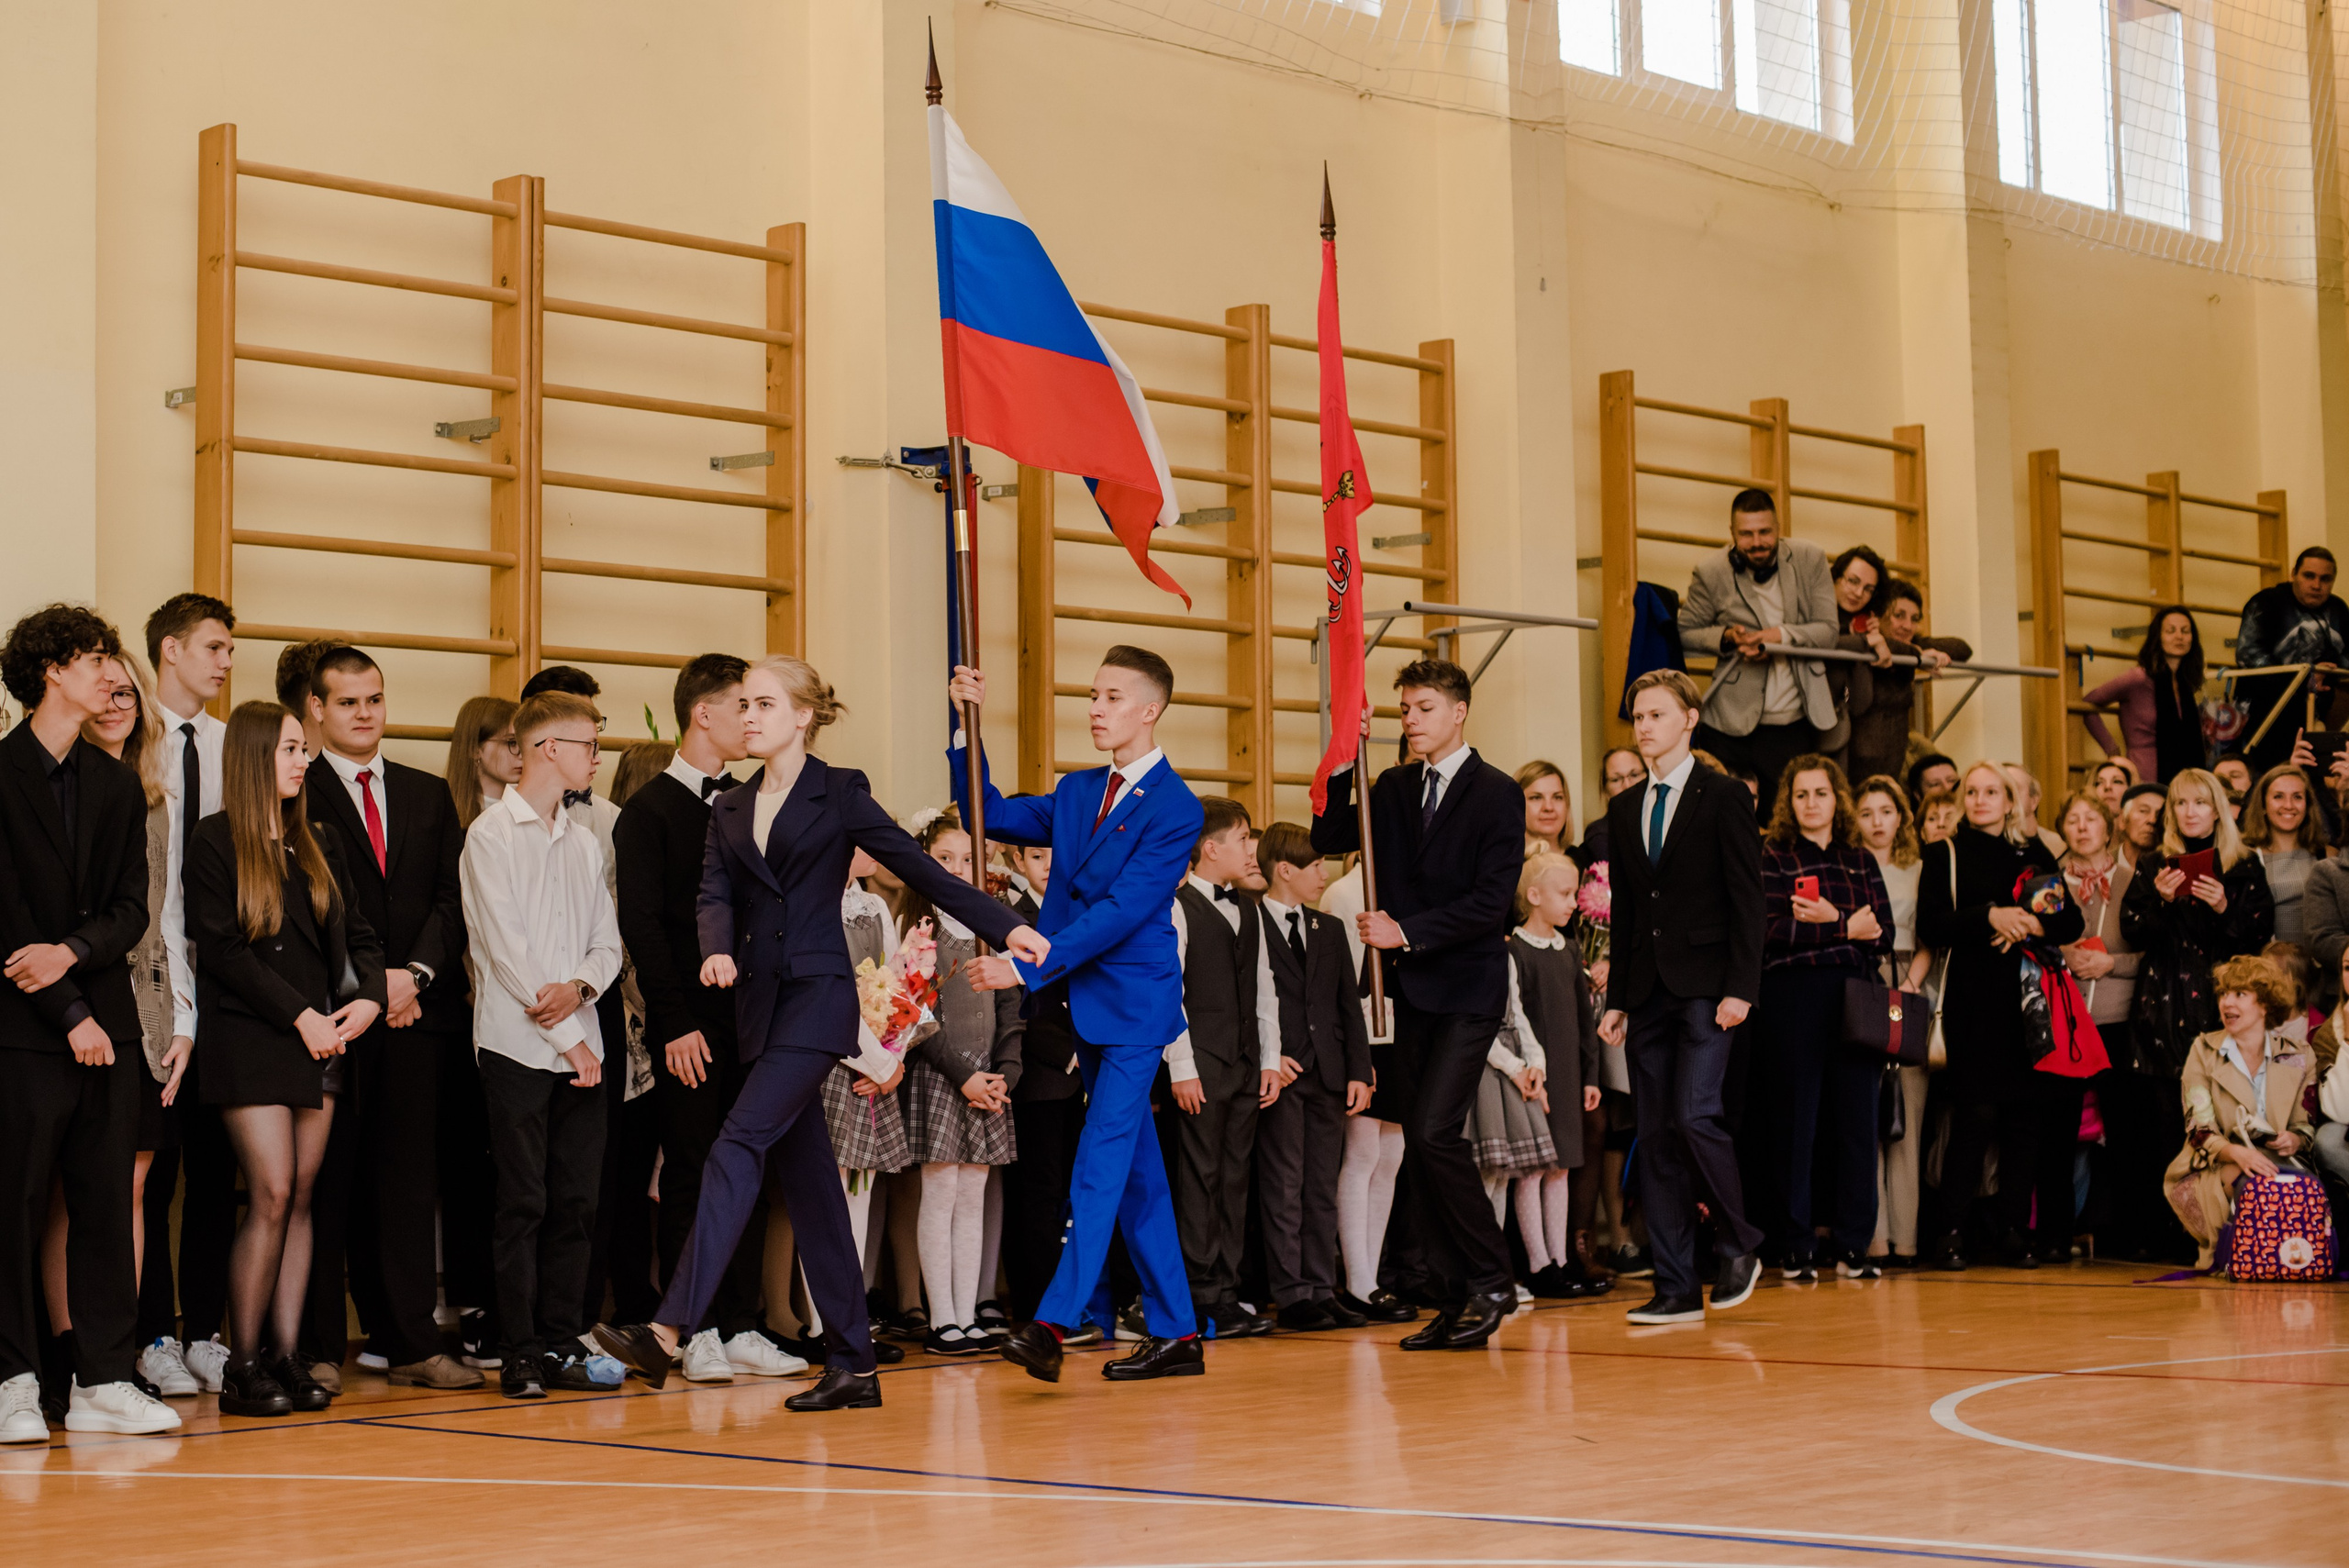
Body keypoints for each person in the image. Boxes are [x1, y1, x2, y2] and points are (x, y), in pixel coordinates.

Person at [596, 657, 1041, 1408]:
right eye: (744, 704)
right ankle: (854, 1363)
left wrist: (1007, 925)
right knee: (813, 1191)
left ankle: (667, 1328)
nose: (750, 716)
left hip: (817, 1002)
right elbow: (713, 889)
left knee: (736, 1143)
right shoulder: (731, 806)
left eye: (765, 703)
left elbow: (914, 866)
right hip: (758, 1010)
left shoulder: (840, 791)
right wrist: (711, 947)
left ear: (803, 715)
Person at [936, 648, 1199, 1384]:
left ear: (1149, 710)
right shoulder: (1078, 790)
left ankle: (1054, 1319)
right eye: (1092, 694)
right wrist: (966, 725)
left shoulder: (1178, 807)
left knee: (1100, 1161)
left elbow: (1122, 911)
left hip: (1137, 1008)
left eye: (1111, 696)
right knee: (1138, 1174)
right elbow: (982, 809)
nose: (1094, 708)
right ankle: (1178, 1332)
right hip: (1083, 1001)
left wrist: (1025, 962)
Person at [1310, 657, 1531, 1351]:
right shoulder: (1396, 785)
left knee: (1434, 1132)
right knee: (1421, 1141)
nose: (1410, 720)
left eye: (1424, 707)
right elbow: (1325, 837)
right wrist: (1346, 754)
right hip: (1409, 996)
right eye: (1405, 709)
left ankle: (1493, 1279)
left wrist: (1408, 930)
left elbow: (1491, 901)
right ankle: (1453, 1290)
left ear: (1459, 711)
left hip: (1468, 989)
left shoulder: (1497, 792)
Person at [0, 606, 180, 1441]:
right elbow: (5, 918)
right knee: (16, 1201)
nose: (111, 672)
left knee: (107, 1201)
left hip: (103, 1022)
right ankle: (11, 1377)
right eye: (94, 658)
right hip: (23, 1029)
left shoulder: (115, 783)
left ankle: (103, 1379)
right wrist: (67, 1009)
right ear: (51, 672)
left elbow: (130, 910)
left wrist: (71, 958)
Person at [186, 700, 384, 1416]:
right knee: (269, 1191)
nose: (305, 759)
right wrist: (300, 1016)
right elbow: (225, 949)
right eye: (293, 748)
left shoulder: (319, 839)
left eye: (304, 749)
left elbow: (362, 938)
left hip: (325, 1039)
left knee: (302, 1196)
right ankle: (241, 1364)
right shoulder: (215, 841)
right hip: (255, 1038)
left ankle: (286, 1355)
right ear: (254, 756)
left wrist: (367, 1001)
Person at [296, 647, 480, 1392]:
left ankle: (409, 1341)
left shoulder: (427, 792)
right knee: (326, 1184)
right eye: (348, 702)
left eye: (374, 698)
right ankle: (313, 1345)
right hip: (331, 1019)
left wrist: (414, 978)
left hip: (416, 1018)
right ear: (316, 708)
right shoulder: (293, 788)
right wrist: (374, 985)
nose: (365, 712)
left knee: (406, 1183)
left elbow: (451, 900)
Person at [611, 655, 797, 1380]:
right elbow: (645, 928)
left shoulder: (752, 801)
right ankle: (691, 1327)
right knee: (692, 1168)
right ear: (702, 714)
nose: (751, 720)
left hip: (752, 1018)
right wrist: (673, 1021)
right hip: (687, 1023)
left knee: (748, 1164)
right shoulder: (650, 812)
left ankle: (741, 1320)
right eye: (739, 705)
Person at [459, 689, 626, 1399]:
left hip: (580, 1039)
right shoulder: (490, 835)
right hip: (517, 1048)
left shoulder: (584, 840)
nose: (596, 757)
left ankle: (563, 1339)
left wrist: (583, 990)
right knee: (522, 1201)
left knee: (576, 1202)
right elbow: (506, 955)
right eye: (589, 744)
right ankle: (520, 1346)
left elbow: (607, 943)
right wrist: (568, 1038)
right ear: (549, 749)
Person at [37, 651, 192, 1406]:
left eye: (131, 694)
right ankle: (71, 1350)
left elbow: (164, 919)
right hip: (70, 999)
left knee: (131, 1184)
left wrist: (181, 1021)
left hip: (146, 1008)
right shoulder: (49, 785)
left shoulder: (149, 796)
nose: (119, 702)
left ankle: (117, 1350)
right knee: (76, 1190)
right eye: (111, 690)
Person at [1596, 669, 1766, 1324]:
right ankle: (1674, 1287)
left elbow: (1748, 901)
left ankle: (1741, 1240)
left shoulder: (1723, 795)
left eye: (1657, 715)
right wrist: (1617, 998)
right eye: (1637, 716)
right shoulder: (1623, 806)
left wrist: (1740, 989)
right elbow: (1631, 913)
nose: (1644, 727)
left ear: (1690, 719)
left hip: (1708, 989)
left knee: (1696, 1115)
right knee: (1659, 1135)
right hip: (1647, 993)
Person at [1915, 761, 2085, 1271]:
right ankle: (1949, 1232)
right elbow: (1931, 924)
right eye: (1972, 791)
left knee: (2023, 1122)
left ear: (2012, 802)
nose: (1980, 800)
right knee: (1975, 1118)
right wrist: (1989, 915)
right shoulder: (1944, 851)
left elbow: (2068, 923)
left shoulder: (2033, 853)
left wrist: (2031, 921)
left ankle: (2014, 1230)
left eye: (1992, 792)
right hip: (1973, 1002)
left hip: (2025, 1005)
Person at [2119, 768, 2274, 1262]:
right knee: (2165, 1120)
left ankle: (2223, 1233)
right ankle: (2166, 1234)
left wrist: (2225, 905)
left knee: (2221, 1115)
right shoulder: (2153, 864)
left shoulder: (2243, 863)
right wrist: (2162, 902)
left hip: (2220, 1001)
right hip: (2162, 1003)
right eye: (2180, 804)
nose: (2189, 812)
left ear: (2217, 810)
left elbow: (2254, 936)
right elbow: (2132, 930)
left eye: (2199, 803)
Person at [1753, 758, 1893, 1280]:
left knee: (1859, 1121)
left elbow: (1884, 934)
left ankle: (1855, 1244)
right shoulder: (1771, 855)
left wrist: (1827, 920)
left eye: (1821, 793)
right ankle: (1796, 1242)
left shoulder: (1860, 857)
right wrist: (1843, 927)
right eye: (1801, 794)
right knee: (1797, 1122)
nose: (1812, 802)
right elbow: (1771, 932)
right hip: (1793, 995)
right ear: (1789, 803)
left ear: (1839, 798)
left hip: (1856, 993)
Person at [144, 594, 235, 1397]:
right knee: (152, 1170)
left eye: (230, 648)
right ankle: (149, 1335)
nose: (224, 660)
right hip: (152, 981)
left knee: (217, 1167)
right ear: (170, 649)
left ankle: (204, 1327)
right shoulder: (129, 736)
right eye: (212, 645)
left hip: (228, 980)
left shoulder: (229, 745)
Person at [894, 815, 1025, 1355]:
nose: (956, 869)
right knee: (942, 1189)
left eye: (966, 859)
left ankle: (969, 1313)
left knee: (974, 1193)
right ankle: (942, 1317)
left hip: (989, 1078)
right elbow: (915, 1013)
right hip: (943, 1074)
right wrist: (964, 1074)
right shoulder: (917, 926)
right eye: (944, 858)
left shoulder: (991, 925)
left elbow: (1011, 1006)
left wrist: (1004, 1073)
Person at [1166, 795, 1283, 1340]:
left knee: (1235, 1179)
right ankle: (1195, 1293)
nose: (1250, 850)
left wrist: (1268, 1059)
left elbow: (1264, 991)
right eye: (1241, 839)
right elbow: (1172, 994)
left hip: (1241, 1064)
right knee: (1199, 1178)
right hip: (1201, 1064)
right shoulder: (1176, 906)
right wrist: (1182, 1066)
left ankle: (1228, 1293)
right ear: (1210, 849)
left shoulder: (1251, 908)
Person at [1251, 822, 1372, 1329]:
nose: (1325, 874)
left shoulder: (1328, 928)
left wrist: (1360, 1071)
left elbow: (1349, 1006)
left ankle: (1322, 1286)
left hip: (1329, 1071)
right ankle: (1292, 1292)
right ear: (1285, 870)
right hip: (1283, 1074)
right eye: (1316, 865)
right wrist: (1269, 1055)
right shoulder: (1249, 920)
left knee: (1322, 1184)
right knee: (1284, 1184)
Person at [436, 693, 518, 1367]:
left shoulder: (536, 818)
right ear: (477, 747)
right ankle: (469, 1303)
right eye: (508, 741)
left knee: (509, 1167)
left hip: (527, 1015)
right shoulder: (457, 819)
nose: (520, 753)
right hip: (465, 1009)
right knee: (467, 1164)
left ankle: (505, 1299)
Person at [1676, 488, 1842, 811]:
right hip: (1729, 722)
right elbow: (1684, 635)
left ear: (1779, 528)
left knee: (1785, 819)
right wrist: (1727, 637)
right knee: (1721, 817)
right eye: (1746, 534)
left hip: (1794, 721)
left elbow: (1828, 631)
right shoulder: (1711, 571)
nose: (1757, 542)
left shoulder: (1810, 558)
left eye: (1765, 531)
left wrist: (1777, 637)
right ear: (1732, 534)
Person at [1494, 852, 1608, 1298]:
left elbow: (1585, 1025)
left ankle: (1560, 1259)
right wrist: (1525, 1071)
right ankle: (1538, 1265)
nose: (1574, 903)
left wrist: (1591, 1077)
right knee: (1531, 1171)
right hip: (1531, 1080)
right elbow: (1512, 1019)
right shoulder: (1514, 951)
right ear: (1534, 896)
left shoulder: (1570, 950)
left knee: (1559, 1170)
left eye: (1576, 894)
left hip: (1567, 1076)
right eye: (1564, 894)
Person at [2161, 956, 2320, 1269]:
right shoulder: (2204, 1051)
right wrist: (2237, 1154)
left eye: (2239, 994)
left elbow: (2307, 1125)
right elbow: (2200, 1129)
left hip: (2281, 1162)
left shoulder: (2298, 1054)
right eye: (2223, 994)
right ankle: (2247, 1259)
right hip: (2217, 1162)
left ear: (2264, 1005)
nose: (2226, 1002)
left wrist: (2295, 1140)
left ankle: (2287, 1264)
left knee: (2295, 1188)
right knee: (2254, 1184)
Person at [997, 817, 1085, 1326]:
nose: (1049, 864)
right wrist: (1067, 1050)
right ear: (1017, 862)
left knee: (1074, 1195)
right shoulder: (1010, 918)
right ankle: (1034, 1308)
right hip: (1040, 1074)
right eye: (1036, 856)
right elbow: (1013, 1002)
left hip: (1085, 1073)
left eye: (1056, 853)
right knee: (1038, 1192)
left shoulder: (1082, 912)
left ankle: (1072, 1305)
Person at [1318, 851, 1413, 1323]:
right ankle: (1357, 1279)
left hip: (1403, 1026)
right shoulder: (1343, 893)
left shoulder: (1410, 886)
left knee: (1391, 1155)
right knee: (1362, 1155)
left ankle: (1371, 1277)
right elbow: (1340, 979)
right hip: (1364, 1031)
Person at [2054, 792, 2143, 1256]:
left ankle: (2125, 1233)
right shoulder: (2047, 887)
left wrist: (2111, 965)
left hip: (2116, 1017)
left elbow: (2153, 954)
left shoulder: (2133, 882)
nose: (2083, 827)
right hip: (2065, 1021)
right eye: (2073, 820)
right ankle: (2058, 1229)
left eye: (2092, 819)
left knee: (2124, 1130)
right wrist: (2063, 956)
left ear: (2110, 829)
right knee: (2062, 1129)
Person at [1854, 777, 1931, 1267]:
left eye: (1886, 811)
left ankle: (1907, 1239)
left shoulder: (1920, 869)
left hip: (1908, 984)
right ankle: (1871, 1237)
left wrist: (1910, 985)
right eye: (1866, 812)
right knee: (1865, 1114)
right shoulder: (1847, 866)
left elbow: (1930, 938)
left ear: (1901, 816)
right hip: (1859, 985)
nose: (1878, 821)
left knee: (1908, 1114)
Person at [1840, 579, 1971, 790]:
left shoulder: (1909, 648)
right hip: (1854, 766)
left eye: (1914, 618)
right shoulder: (1864, 644)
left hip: (1891, 764)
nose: (1907, 625)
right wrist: (1917, 655)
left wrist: (1916, 650)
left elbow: (1962, 649)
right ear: (1877, 615)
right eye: (1898, 615)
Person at [2234, 547, 2349, 772]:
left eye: (2325, 579)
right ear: (2293, 573)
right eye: (2309, 576)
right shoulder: (2266, 604)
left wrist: (2330, 671)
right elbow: (2248, 655)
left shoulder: (2338, 610)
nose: (2316, 585)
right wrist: (2306, 676)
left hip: (2318, 717)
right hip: (2265, 715)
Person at [2084, 607, 2207, 785]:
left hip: (2185, 781)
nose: (2179, 636)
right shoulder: (2138, 678)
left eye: (2185, 631)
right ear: (2158, 637)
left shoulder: (2187, 684)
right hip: (2143, 778)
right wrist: (2112, 749)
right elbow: (2089, 702)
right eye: (2170, 631)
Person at [2240, 762, 2325, 947]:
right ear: (2262, 805)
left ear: (2308, 805)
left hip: (2318, 966)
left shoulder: (2324, 853)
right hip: (2268, 967)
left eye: (2297, 797)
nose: (2289, 805)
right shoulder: (2246, 858)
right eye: (2278, 796)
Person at [1575, 746, 1647, 870]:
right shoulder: (1600, 833)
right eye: (1616, 779)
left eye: (1634, 775)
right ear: (1605, 790)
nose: (1627, 785)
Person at [1518, 760, 1575, 858]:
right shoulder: (1504, 862)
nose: (1548, 807)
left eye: (1557, 797)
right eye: (1536, 798)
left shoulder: (1584, 860)